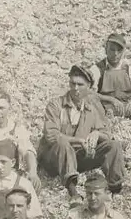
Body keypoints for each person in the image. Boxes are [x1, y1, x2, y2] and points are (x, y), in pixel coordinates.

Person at [38, 65, 125, 201]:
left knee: (113, 145)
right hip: (54, 159)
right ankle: (73, 193)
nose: (75, 89)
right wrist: (78, 141)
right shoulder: (56, 105)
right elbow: (51, 135)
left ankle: (115, 188)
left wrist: (97, 134)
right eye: (73, 84)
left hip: (78, 158)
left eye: (80, 85)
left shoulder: (91, 108)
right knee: (63, 143)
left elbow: (106, 133)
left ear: (89, 87)